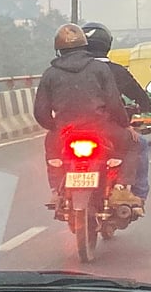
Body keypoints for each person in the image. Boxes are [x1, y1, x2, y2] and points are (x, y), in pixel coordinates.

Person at [33, 24, 141, 208]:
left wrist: (54, 127)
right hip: (102, 129)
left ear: (58, 50)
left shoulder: (50, 74)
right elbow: (114, 103)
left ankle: (56, 191)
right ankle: (121, 188)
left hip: (65, 131)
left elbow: (40, 112)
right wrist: (125, 124)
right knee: (133, 143)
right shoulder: (100, 69)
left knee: (52, 150)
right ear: (84, 45)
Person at [81, 22, 151, 203]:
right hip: (107, 128)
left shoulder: (70, 70)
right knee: (138, 144)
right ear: (107, 44)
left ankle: (56, 190)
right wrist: (143, 107)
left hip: (71, 127)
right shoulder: (114, 71)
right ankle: (133, 193)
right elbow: (132, 97)